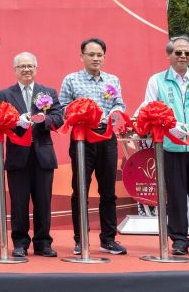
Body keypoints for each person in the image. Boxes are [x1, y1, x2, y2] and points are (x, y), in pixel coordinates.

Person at [136, 35, 189, 256]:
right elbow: (149, 108)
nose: (183, 56)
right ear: (169, 54)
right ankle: (180, 239)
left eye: (187, 53)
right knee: (175, 194)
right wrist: (169, 126)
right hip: (171, 146)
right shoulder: (157, 80)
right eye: (178, 52)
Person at [58, 37, 128, 256]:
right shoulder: (71, 80)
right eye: (91, 55)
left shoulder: (112, 80)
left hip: (106, 137)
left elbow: (119, 104)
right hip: (82, 139)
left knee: (108, 190)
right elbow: (62, 108)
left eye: (99, 55)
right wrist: (82, 114)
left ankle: (108, 239)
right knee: (80, 189)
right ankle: (81, 239)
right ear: (82, 56)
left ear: (104, 57)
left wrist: (111, 114)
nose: (95, 58)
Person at [0, 51, 64, 258]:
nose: (26, 69)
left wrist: (44, 120)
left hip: (42, 154)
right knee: (19, 202)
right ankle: (20, 243)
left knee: (43, 201)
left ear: (36, 68)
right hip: (18, 155)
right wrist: (17, 122)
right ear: (15, 70)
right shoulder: (5, 94)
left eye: (30, 66)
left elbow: (59, 117)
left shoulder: (48, 92)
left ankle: (43, 243)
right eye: (22, 66)